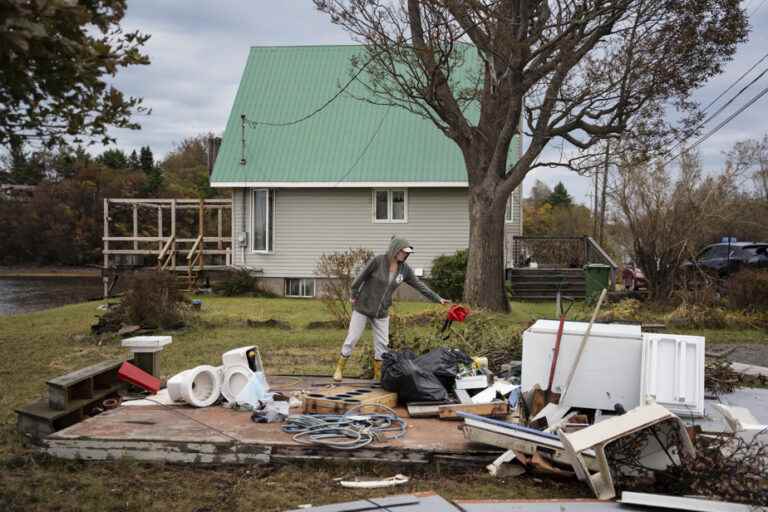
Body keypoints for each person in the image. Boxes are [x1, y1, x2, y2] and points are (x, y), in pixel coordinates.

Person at [333, 236, 449, 382]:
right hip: (363, 306)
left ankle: (378, 376)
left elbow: (420, 286)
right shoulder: (378, 261)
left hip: (382, 311)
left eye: (407, 253)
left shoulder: (404, 270)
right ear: (395, 250)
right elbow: (359, 279)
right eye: (403, 252)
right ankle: (339, 369)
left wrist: (438, 298)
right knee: (352, 338)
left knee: (382, 344)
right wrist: (354, 294)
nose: (405, 255)